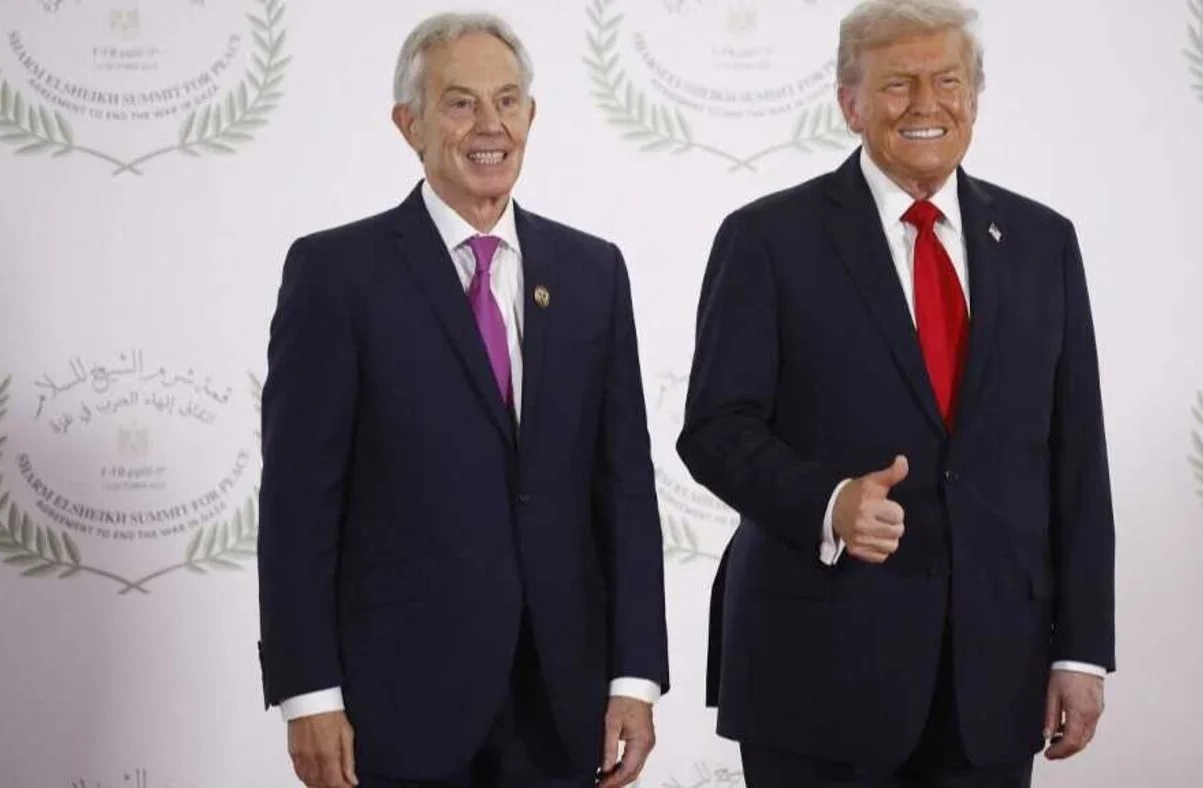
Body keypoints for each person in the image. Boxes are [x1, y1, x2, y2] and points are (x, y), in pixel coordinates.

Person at [677, 1, 1116, 785]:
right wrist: (830, 502)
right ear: (849, 103)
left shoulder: (1043, 244)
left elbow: (1076, 458)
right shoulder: (768, 239)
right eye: (896, 85)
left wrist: (1080, 650)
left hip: (992, 680)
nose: (926, 105)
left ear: (974, 97)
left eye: (947, 80)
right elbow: (715, 428)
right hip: (816, 675)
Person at [256, 13, 668, 788]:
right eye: (460, 103)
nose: (491, 126)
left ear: (532, 116)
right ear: (408, 124)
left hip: (559, 701)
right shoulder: (336, 275)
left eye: (509, 102)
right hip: (396, 703)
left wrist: (634, 678)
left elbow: (625, 489)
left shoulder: (591, 274)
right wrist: (307, 691)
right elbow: (297, 506)